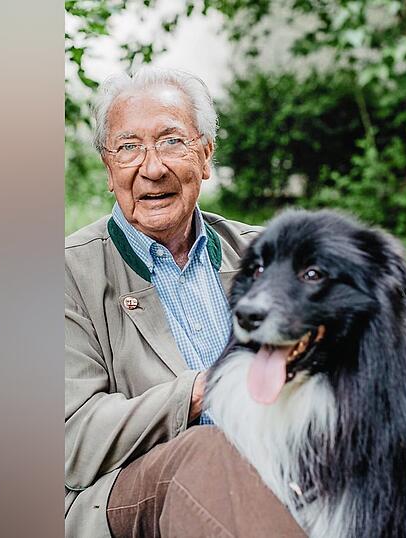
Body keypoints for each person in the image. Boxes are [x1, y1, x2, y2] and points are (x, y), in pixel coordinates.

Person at [65, 67, 305, 537]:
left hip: (277, 471)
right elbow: (72, 437)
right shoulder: (67, 273)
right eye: (130, 147)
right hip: (123, 497)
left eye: (172, 141)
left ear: (206, 155)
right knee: (208, 452)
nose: (152, 167)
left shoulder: (268, 257)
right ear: (108, 169)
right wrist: (201, 393)